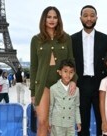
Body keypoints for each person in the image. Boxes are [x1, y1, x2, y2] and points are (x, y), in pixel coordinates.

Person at [30, 6, 77, 135]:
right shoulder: (36, 39)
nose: (52, 20)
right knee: (43, 122)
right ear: (44, 19)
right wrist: (33, 93)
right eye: (49, 17)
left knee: (60, 124)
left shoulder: (66, 38)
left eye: (55, 17)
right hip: (42, 85)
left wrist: (73, 80)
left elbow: (71, 60)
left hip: (62, 85)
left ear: (59, 20)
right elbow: (34, 67)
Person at [71, 5, 107, 136]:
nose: (89, 18)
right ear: (80, 18)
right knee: (82, 124)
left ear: (96, 18)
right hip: (80, 85)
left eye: (92, 15)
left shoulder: (106, 39)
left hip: (100, 85)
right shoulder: (72, 39)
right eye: (85, 15)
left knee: (103, 122)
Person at [49, 59, 81, 136]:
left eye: (71, 72)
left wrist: (78, 122)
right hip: (57, 123)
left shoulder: (76, 90)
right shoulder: (53, 88)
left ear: (74, 74)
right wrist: (49, 122)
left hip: (70, 124)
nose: (68, 74)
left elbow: (76, 107)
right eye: (65, 71)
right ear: (60, 72)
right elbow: (51, 106)